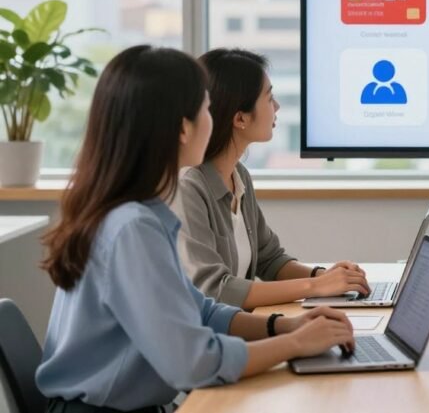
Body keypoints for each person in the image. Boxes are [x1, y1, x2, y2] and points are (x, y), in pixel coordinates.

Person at [36, 46, 354, 412]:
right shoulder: (132, 228)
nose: (212, 119)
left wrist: (284, 327)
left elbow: (199, 309)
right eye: (205, 108)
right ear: (183, 129)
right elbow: (194, 362)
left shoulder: (140, 213)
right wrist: (295, 345)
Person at [175, 48, 370, 309]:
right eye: (269, 98)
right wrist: (315, 287)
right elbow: (214, 290)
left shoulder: (238, 175)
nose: (276, 106)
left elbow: (270, 259)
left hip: (238, 325)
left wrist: (324, 276)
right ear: (240, 118)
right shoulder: (188, 187)